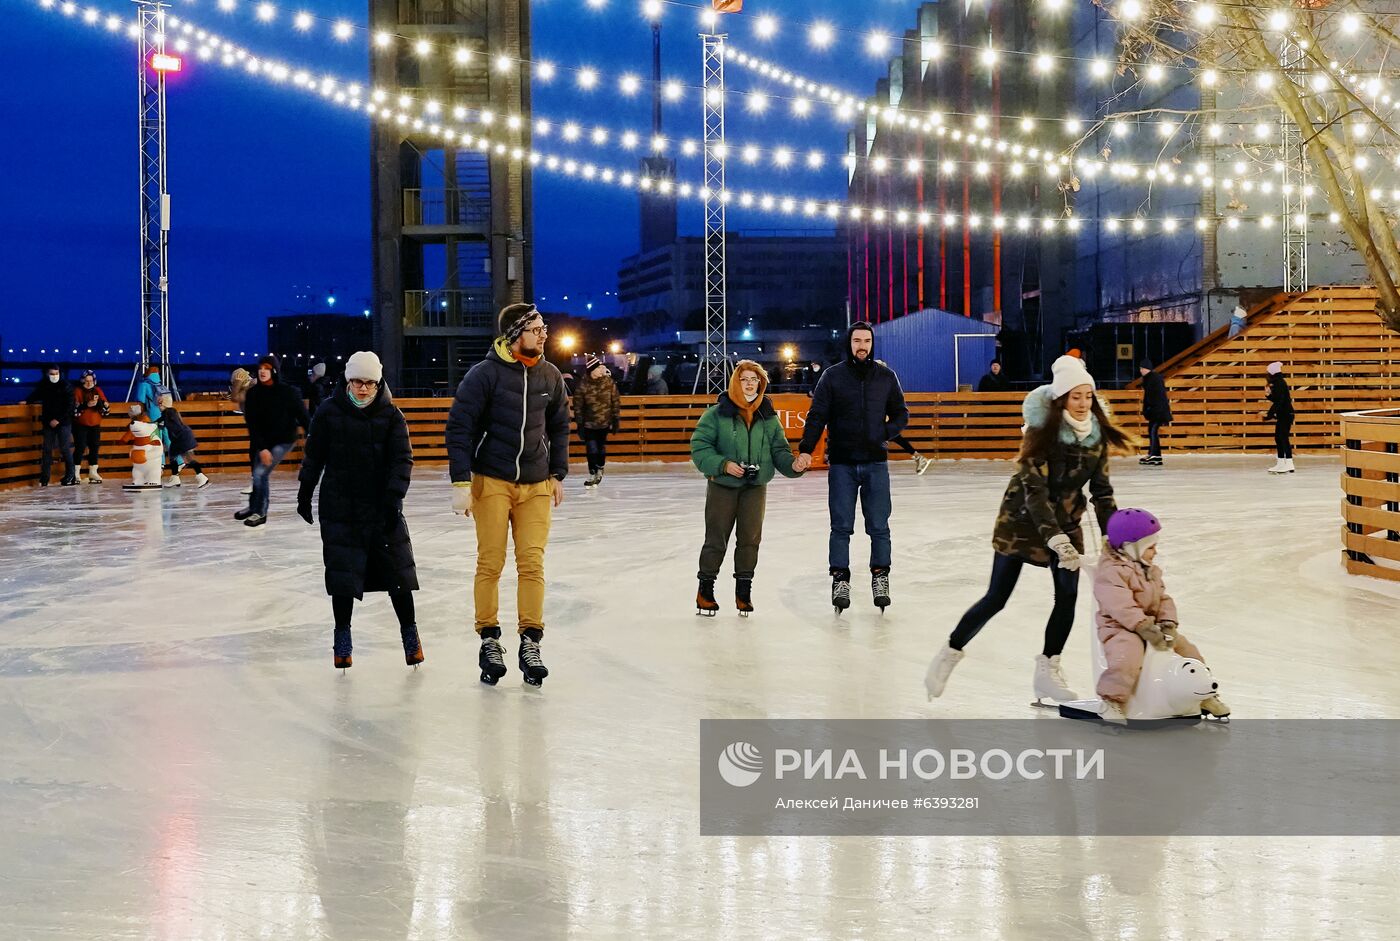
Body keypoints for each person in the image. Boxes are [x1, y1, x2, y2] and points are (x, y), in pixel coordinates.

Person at [923, 354, 1132, 705]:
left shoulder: (1096, 438)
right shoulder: (1041, 433)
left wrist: (1115, 536)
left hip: (1066, 520)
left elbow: (1102, 492)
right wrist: (1055, 539)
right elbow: (1034, 492)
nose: (1082, 404)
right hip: (1020, 520)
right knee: (997, 598)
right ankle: (949, 652)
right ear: (1061, 398)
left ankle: (1048, 670)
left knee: (1067, 596)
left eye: (1087, 396)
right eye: (1075, 396)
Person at [446, 303, 569, 688]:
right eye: (535, 328)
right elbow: (460, 428)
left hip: (535, 484)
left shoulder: (550, 375)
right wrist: (461, 483)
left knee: (532, 563)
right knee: (492, 562)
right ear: (515, 334)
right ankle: (489, 638)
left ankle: (530, 641)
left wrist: (557, 473)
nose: (543, 333)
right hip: (492, 481)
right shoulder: (484, 375)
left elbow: (560, 426)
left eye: (543, 327)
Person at [297, 351, 421, 671]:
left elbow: (402, 460)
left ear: (378, 384)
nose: (363, 389)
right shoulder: (328, 412)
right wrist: (305, 491)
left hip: (382, 508)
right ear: (347, 380)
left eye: (369, 383)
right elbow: (314, 455)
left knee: (399, 575)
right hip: (341, 507)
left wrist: (395, 498)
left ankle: (411, 637)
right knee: (343, 578)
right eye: (357, 381)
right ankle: (342, 642)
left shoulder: (392, 416)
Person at [793, 321, 910, 613]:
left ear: (872, 344)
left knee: (879, 526)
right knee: (841, 527)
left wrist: (883, 433)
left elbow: (901, 414)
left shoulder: (885, 377)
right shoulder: (832, 377)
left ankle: (880, 576)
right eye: (857, 341)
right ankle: (840, 579)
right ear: (849, 343)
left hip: (875, 462)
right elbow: (817, 415)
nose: (862, 346)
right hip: (843, 463)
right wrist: (806, 449)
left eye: (866, 341)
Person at [689, 360, 805, 616]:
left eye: (755, 379)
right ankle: (705, 589)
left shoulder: (768, 416)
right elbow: (700, 447)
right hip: (723, 485)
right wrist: (723, 465)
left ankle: (744, 592)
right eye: (745, 379)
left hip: (755, 487)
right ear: (735, 382)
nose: (750, 383)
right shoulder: (717, 413)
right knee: (716, 538)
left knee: (750, 539)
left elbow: (779, 451)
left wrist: (795, 465)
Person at [1094, 508, 1230, 724]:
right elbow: (1119, 605)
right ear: (1132, 547)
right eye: (1151, 547)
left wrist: (1168, 624)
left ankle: (1204, 694)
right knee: (1127, 655)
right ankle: (1112, 701)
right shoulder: (1111, 571)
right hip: (1120, 627)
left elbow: (1163, 598)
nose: (1155, 552)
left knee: (1187, 649)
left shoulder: (1150, 570)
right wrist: (1143, 626)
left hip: (1153, 627)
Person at [236, 354, 310, 527]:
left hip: (283, 440)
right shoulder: (254, 394)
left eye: (267, 369)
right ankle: (253, 507)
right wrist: (261, 448)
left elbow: (303, 416)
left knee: (261, 473)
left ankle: (260, 513)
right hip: (261, 440)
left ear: (274, 371)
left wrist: (312, 435)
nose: (262, 372)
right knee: (257, 474)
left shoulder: (288, 392)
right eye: (260, 368)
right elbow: (252, 423)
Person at [25, 365, 78, 487]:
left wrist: (58, 420)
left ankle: (71, 475)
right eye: (52, 373)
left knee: (65, 448)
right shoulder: (44, 385)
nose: (54, 376)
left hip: (63, 422)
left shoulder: (66, 386)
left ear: (60, 373)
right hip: (48, 422)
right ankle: (44, 478)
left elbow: (70, 406)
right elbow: (36, 394)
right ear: (47, 374)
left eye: (56, 373)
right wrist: (27, 401)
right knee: (47, 450)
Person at [574, 353, 620, 487]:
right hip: (589, 423)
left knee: (600, 448)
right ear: (592, 370)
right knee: (591, 449)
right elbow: (578, 406)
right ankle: (592, 473)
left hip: (604, 422)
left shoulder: (608, 382)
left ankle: (600, 467)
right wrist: (580, 424)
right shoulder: (583, 385)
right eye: (599, 368)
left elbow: (615, 401)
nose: (602, 370)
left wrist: (616, 419)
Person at [158, 393, 209, 488]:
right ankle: (176, 478)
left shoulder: (169, 412)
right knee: (174, 456)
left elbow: (162, 422)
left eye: (160, 404)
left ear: (164, 404)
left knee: (185, 457)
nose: (159, 406)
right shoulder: (170, 412)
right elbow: (161, 421)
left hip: (182, 437)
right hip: (181, 437)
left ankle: (201, 477)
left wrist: (156, 424)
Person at [71, 370, 109, 483]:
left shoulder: (97, 390)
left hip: (95, 424)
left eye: (91, 381)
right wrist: (85, 405)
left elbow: (105, 406)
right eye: (86, 381)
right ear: (82, 381)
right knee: (80, 447)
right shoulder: (77, 391)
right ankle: (75, 473)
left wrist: (102, 405)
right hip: (80, 424)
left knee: (94, 447)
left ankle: (93, 472)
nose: (89, 383)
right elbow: (74, 409)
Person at [119, 404, 164, 490]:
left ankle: (154, 480)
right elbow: (133, 432)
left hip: (151, 462)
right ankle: (138, 480)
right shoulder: (137, 423)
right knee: (137, 472)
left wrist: (147, 456)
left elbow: (158, 450)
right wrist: (133, 454)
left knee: (153, 471)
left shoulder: (146, 423)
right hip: (138, 463)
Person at [1138, 359, 1172, 467]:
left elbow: (1155, 397)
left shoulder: (1153, 378)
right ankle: (1155, 455)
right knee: (1152, 430)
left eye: (1142, 368)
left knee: (1153, 430)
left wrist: (1150, 409)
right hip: (1156, 410)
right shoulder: (1149, 379)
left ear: (1146, 369)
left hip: (1158, 411)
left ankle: (1154, 454)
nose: (1141, 371)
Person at [1265, 361, 1295, 474]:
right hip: (1283, 414)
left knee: (1283, 438)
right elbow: (1277, 399)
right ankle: (1281, 462)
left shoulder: (1279, 383)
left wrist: (1270, 414)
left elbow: (1279, 401)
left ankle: (1289, 463)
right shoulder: (1278, 383)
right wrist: (1268, 396)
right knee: (1279, 438)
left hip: (1286, 414)